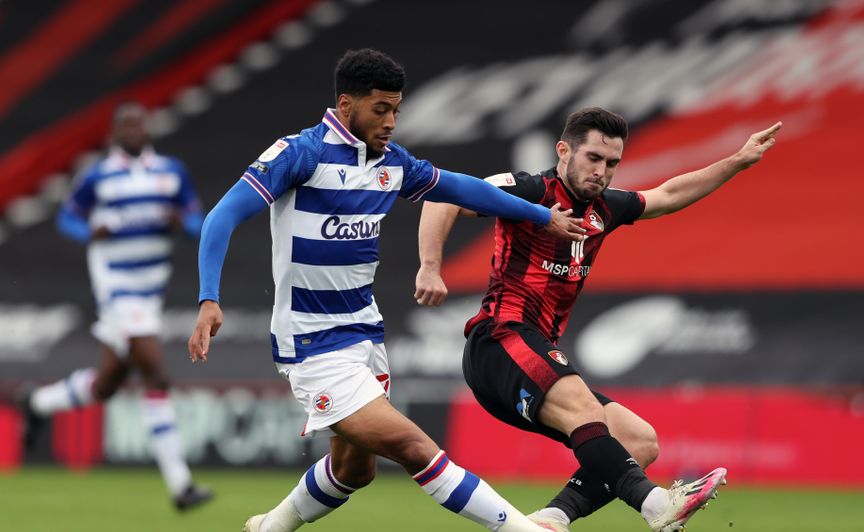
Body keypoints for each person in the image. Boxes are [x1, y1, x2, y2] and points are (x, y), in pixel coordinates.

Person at [188, 48, 585, 532]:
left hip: (364, 337)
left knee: (354, 470)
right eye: (381, 109)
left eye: (397, 109)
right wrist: (210, 298)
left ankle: (265, 529)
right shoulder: (300, 153)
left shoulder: (392, 163)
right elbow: (221, 216)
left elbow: (461, 188)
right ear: (345, 103)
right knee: (415, 448)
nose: (392, 121)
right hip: (312, 345)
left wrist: (544, 215)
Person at [415, 107, 782, 532]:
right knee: (585, 407)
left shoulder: (606, 208)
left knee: (640, 441)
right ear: (564, 150)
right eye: (593, 158)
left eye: (611, 163)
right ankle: (657, 505)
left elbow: (667, 196)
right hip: (499, 341)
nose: (602, 171)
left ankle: (552, 519)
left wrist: (735, 162)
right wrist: (429, 266)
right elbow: (444, 194)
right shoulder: (530, 190)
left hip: (534, 357)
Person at [19, 102, 213, 511]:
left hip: (150, 290)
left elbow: (198, 223)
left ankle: (37, 404)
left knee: (107, 382)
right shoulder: (99, 176)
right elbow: (67, 220)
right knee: (155, 374)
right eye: (125, 124)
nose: (133, 130)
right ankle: (181, 485)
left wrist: (182, 224)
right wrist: (92, 229)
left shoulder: (170, 172)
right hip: (116, 288)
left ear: (148, 129)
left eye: (138, 123)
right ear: (114, 132)